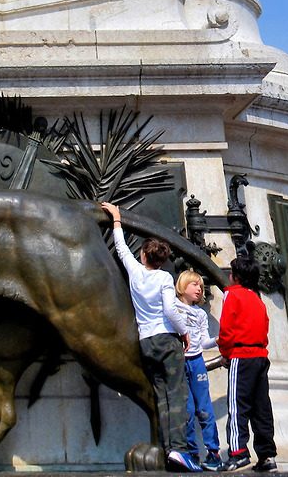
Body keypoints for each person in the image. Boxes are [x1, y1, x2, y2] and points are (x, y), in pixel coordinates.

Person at [99, 202, 198, 472]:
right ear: (162, 260)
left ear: (143, 255)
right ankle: (179, 449)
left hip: (146, 342)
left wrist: (116, 219)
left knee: (160, 396)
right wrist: (184, 332)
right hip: (166, 339)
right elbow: (170, 309)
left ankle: (166, 449)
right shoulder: (164, 278)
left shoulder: (135, 273)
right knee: (176, 395)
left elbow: (121, 248)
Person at [218, 255, 277, 472]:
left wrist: (226, 353)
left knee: (237, 406)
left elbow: (226, 329)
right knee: (261, 407)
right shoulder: (257, 298)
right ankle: (266, 455)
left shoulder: (232, 294)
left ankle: (238, 452)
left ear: (236, 277)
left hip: (241, 356)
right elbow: (265, 326)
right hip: (260, 356)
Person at [176, 269, 223, 469]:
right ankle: (192, 453)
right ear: (182, 285)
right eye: (194, 284)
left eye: (201, 286)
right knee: (187, 410)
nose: (199, 289)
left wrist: (218, 340)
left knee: (204, 408)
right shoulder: (173, 307)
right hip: (180, 361)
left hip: (197, 361)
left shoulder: (201, 314)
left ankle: (213, 452)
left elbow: (204, 342)